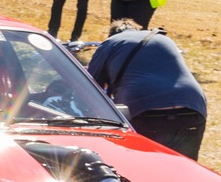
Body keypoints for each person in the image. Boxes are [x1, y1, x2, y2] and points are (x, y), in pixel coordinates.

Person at [88, 21, 209, 159]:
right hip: (192, 108)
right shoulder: (163, 38)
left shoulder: (110, 43)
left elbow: (89, 86)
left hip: (145, 112)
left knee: (142, 168)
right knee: (183, 169)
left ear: (112, 33)